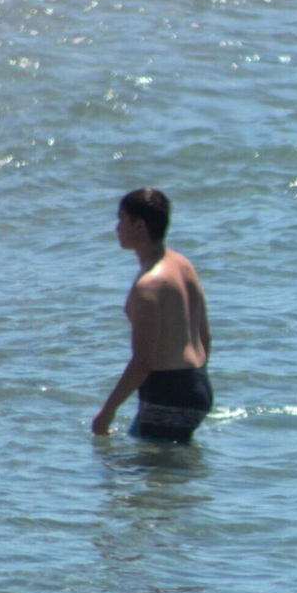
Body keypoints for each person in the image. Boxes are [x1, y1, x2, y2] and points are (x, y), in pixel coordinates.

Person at [91, 188, 214, 441]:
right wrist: (194, 386)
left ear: (140, 225)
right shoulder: (182, 265)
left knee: (152, 463)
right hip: (197, 383)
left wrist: (107, 411)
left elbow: (143, 362)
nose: (116, 228)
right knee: (170, 460)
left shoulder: (148, 286)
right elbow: (205, 335)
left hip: (168, 392)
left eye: (121, 219)